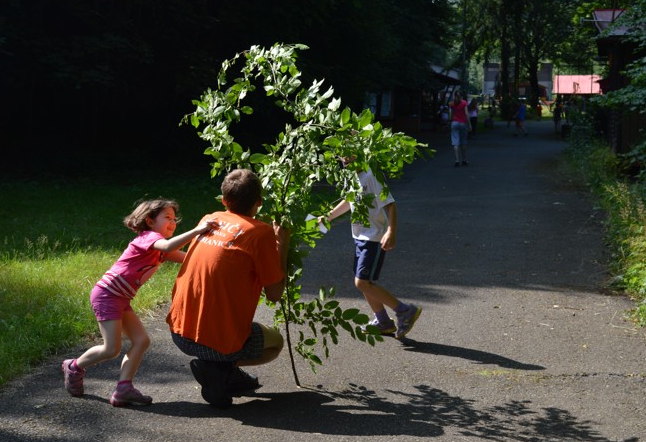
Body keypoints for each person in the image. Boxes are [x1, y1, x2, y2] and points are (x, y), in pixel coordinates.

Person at [62, 198, 217, 407]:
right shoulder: (148, 238)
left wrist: (216, 249)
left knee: (141, 341)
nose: (173, 222)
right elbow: (170, 244)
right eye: (167, 217)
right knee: (111, 349)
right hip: (107, 294)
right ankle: (73, 366)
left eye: (174, 218)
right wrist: (198, 230)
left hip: (121, 297)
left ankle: (123, 388)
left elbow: (192, 258)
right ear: (150, 221)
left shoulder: (161, 250)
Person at [166, 169, 290, 408]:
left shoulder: (209, 219)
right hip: (216, 343)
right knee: (275, 343)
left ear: (223, 200)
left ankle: (219, 371)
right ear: (259, 203)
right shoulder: (260, 232)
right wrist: (282, 245)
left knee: (224, 330)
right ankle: (220, 371)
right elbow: (274, 295)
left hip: (179, 333)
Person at [320, 162, 421, 341]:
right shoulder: (352, 176)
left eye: (349, 152)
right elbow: (349, 201)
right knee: (365, 282)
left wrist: (391, 231)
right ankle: (383, 321)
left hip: (374, 238)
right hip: (360, 238)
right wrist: (328, 217)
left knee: (362, 282)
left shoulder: (371, 175)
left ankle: (405, 311)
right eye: (341, 152)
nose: (345, 158)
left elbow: (390, 204)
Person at [449, 91, 471, 166]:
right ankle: (464, 160)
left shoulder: (452, 104)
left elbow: (451, 115)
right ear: (461, 96)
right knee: (463, 142)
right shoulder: (464, 103)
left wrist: (450, 122)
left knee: (455, 142)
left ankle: (457, 160)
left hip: (454, 123)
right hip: (462, 123)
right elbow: (467, 114)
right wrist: (469, 124)